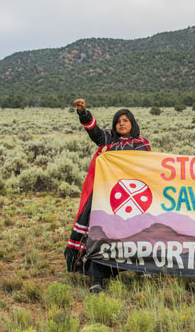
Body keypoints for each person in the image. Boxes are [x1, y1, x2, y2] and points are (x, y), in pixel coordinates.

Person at [65, 99, 151, 293]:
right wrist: (83, 112)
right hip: (107, 199)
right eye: (118, 121)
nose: (121, 124)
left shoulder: (142, 144)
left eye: (125, 120)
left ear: (132, 124)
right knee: (102, 236)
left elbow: (149, 169)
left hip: (133, 201)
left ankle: (142, 269)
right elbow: (93, 131)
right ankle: (97, 279)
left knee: (135, 234)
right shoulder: (108, 140)